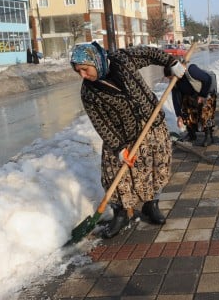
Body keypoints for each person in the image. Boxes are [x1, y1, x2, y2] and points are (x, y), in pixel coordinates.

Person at [69, 41, 186, 238]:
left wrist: (170, 62)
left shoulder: (121, 60)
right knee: (115, 174)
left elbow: (149, 53)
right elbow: (101, 123)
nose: (83, 75)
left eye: (84, 69)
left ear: (95, 61)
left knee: (154, 167)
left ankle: (151, 205)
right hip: (121, 136)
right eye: (78, 71)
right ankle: (121, 214)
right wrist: (118, 148)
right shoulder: (89, 92)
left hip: (151, 126)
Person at [164, 60, 218, 147]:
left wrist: (202, 95)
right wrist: (179, 115)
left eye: (171, 77)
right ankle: (191, 134)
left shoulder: (191, 70)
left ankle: (209, 136)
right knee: (185, 109)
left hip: (206, 91)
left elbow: (208, 79)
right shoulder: (174, 83)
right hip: (192, 94)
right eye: (169, 78)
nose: (170, 80)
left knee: (205, 110)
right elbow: (176, 99)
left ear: (176, 73)